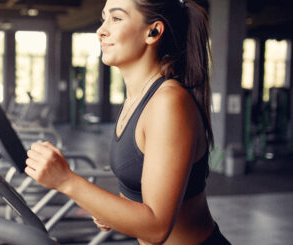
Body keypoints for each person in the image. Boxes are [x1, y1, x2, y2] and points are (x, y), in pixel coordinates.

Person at [25, 0, 231, 244]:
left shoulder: (168, 102)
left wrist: (67, 181)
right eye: (103, 18)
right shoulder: (136, 98)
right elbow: (142, 197)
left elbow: (156, 226)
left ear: (152, 32)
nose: (101, 30)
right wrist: (111, 211)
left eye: (116, 18)